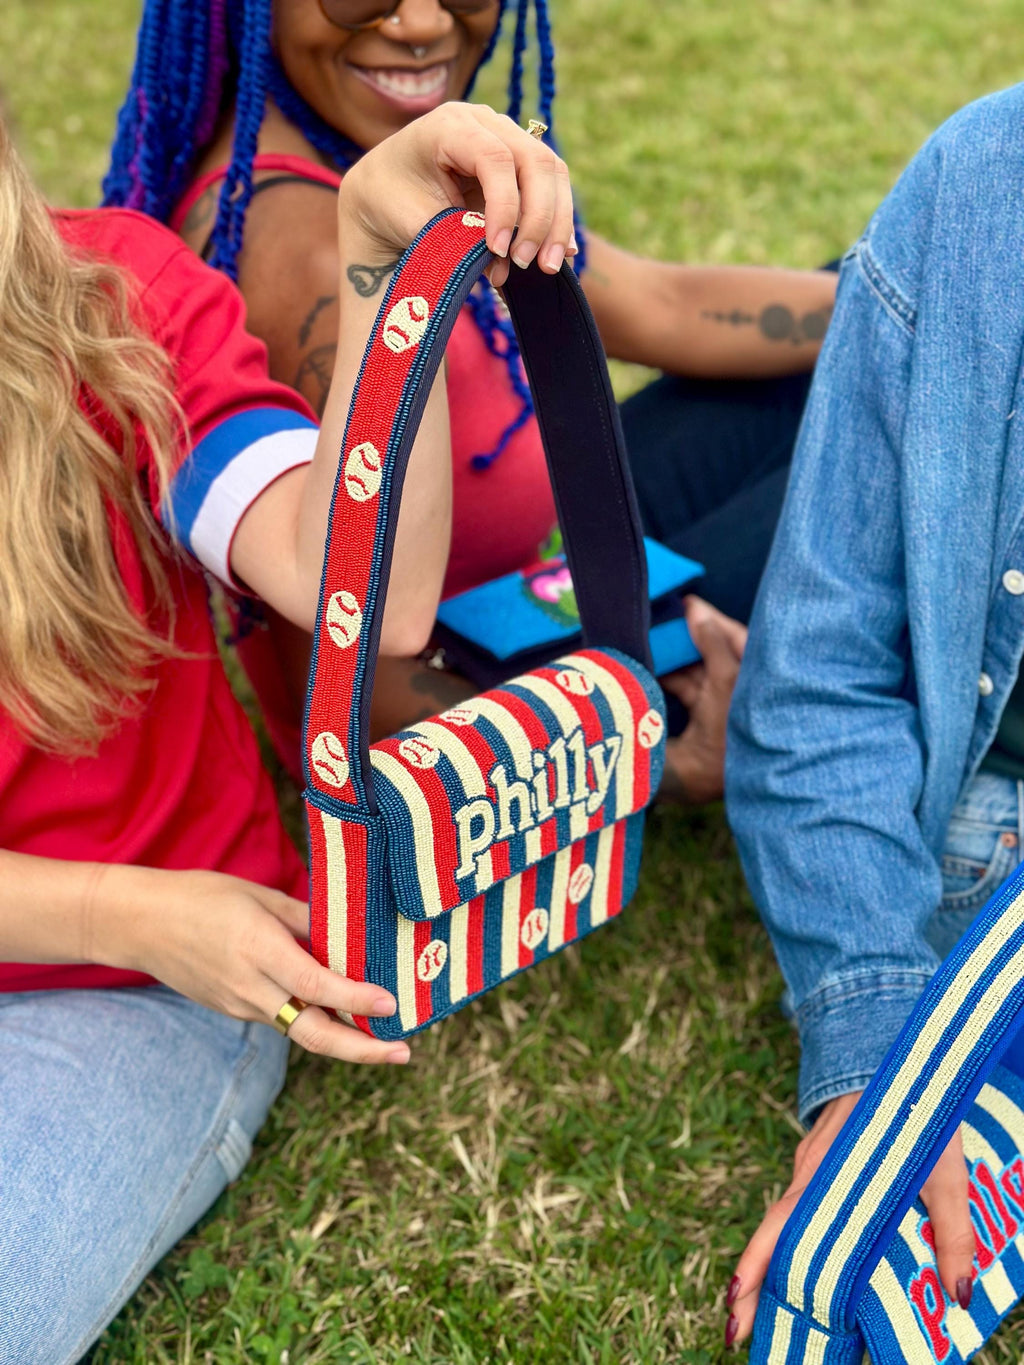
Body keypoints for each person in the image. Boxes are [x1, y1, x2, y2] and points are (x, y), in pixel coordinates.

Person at [0, 101, 573, 1364]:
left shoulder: (109, 298)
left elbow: (356, 586)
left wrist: (379, 252)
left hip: (115, 996)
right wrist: (117, 910)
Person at [102, 0, 838, 802]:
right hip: (497, 697)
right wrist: (630, 753)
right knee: (925, 440)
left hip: (542, 584)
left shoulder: (373, 156)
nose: (420, 22)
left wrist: (912, 293)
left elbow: (660, 304)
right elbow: (356, 697)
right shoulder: (308, 258)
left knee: (889, 335)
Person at [722, 82, 1024, 1348]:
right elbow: (819, 674)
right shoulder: (975, 193)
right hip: (981, 813)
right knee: (881, 1263)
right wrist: (880, 1075)